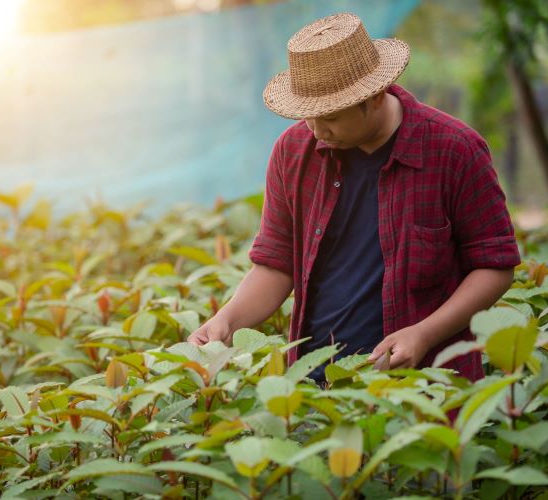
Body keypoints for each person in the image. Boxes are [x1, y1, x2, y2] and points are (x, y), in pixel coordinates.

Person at [188, 12, 521, 384]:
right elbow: (275, 264)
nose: (316, 130)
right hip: (315, 384)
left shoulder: (453, 149)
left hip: (424, 383)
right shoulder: (294, 151)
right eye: (307, 116)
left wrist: (424, 333)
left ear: (374, 95)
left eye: (329, 116)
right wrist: (226, 321)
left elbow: (494, 265)